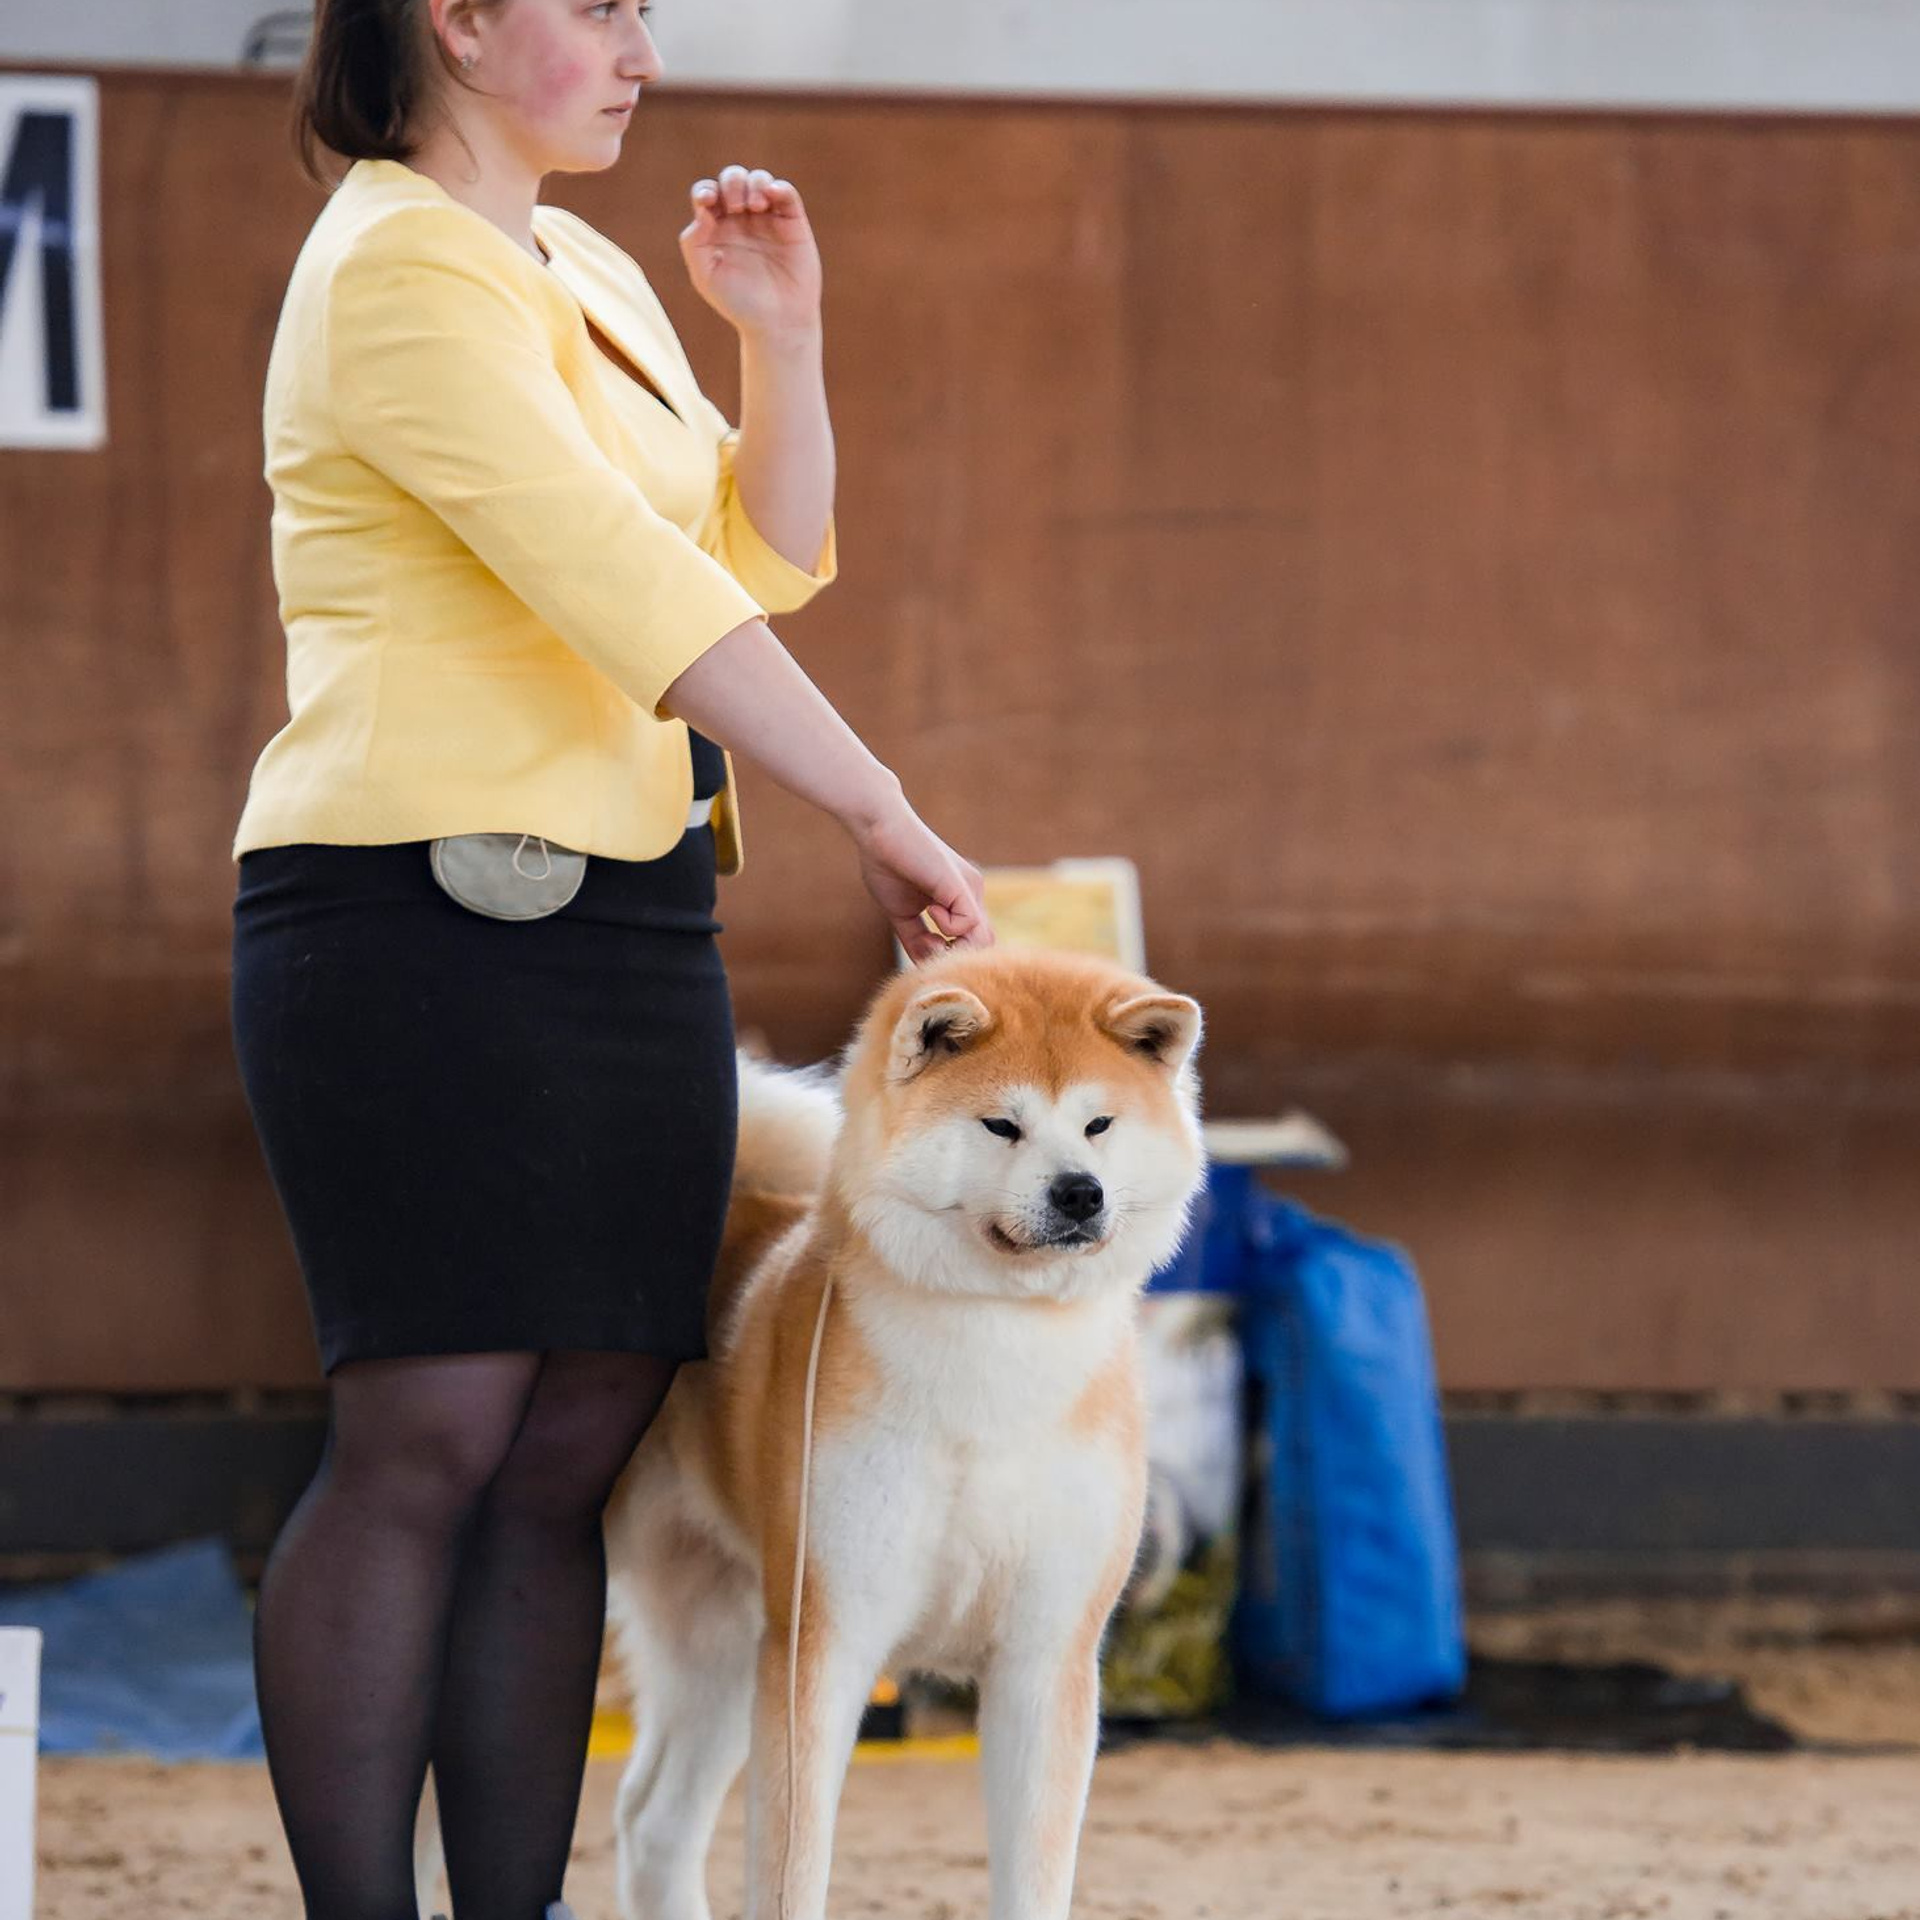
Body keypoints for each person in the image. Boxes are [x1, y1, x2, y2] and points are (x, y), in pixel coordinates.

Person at [227, 3, 992, 1917]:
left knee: (570, 1440)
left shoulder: (575, 260)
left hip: (632, 916)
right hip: (411, 917)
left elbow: (756, 559)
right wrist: (880, 805)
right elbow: (622, 585)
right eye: (600, 5)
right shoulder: (396, 269)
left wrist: (780, 339)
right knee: (430, 1434)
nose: (644, 47)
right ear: (460, 21)